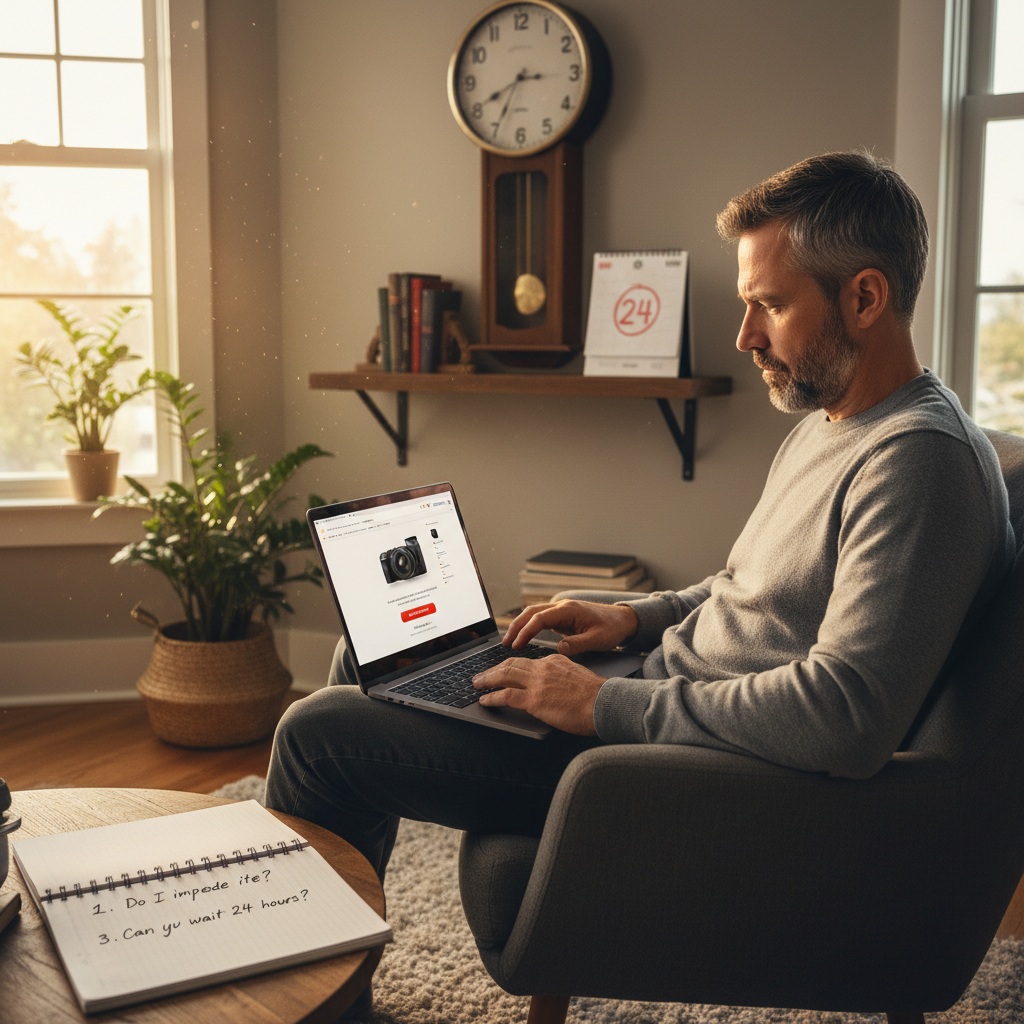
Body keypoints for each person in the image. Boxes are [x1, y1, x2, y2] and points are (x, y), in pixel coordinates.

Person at [265, 152, 1013, 1008]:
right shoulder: (838, 419)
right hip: (647, 707)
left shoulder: (916, 464)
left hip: (663, 779)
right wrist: (632, 620)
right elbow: (748, 588)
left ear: (866, 298)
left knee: (319, 735)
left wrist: (596, 704)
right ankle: (338, 995)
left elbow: (845, 716)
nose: (745, 337)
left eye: (769, 305)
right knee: (368, 659)